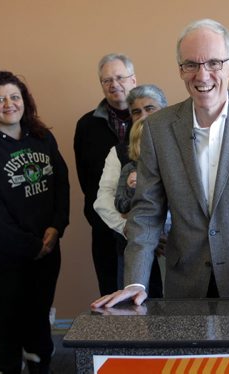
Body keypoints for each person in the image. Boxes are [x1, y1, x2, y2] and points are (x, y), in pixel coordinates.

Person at [92, 18, 229, 311]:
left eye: (214, 63)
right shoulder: (158, 128)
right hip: (185, 283)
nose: (201, 74)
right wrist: (135, 282)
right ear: (180, 69)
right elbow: (147, 210)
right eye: (190, 64)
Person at [0, 71, 69, 374]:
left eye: (15, 96)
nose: (9, 104)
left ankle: (40, 365)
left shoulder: (42, 137)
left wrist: (57, 227)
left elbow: (61, 183)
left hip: (45, 253)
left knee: (38, 322)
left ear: (25, 100)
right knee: (6, 326)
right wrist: (32, 245)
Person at [93, 85, 168, 295]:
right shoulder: (119, 154)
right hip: (131, 246)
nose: (143, 115)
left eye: (150, 108)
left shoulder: (185, 147)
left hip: (175, 250)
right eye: (136, 111)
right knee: (137, 317)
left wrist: (165, 232)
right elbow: (103, 201)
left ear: (165, 110)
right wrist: (131, 228)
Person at [73, 53, 136, 296]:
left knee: (149, 296)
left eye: (120, 77)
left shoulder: (152, 119)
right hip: (104, 228)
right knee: (110, 295)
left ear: (133, 80)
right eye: (106, 80)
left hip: (148, 230)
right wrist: (102, 218)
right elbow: (85, 179)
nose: (114, 84)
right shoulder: (87, 125)